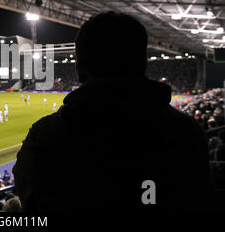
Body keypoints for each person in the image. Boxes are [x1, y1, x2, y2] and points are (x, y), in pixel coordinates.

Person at [13, 12, 210, 211]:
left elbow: (31, 199)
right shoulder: (187, 132)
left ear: (79, 68)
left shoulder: (44, 137)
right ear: (143, 63)